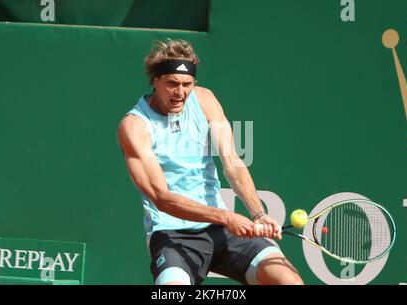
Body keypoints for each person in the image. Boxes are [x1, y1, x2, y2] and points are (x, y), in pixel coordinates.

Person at [117, 39, 303, 285]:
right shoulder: (134, 126)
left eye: (187, 84)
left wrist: (258, 213)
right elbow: (162, 198)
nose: (180, 92)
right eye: (172, 83)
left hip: (221, 229)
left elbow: (232, 161)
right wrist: (226, 217)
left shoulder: (205, 100)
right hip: (173, 234)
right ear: (155, 81)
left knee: (288, 282)